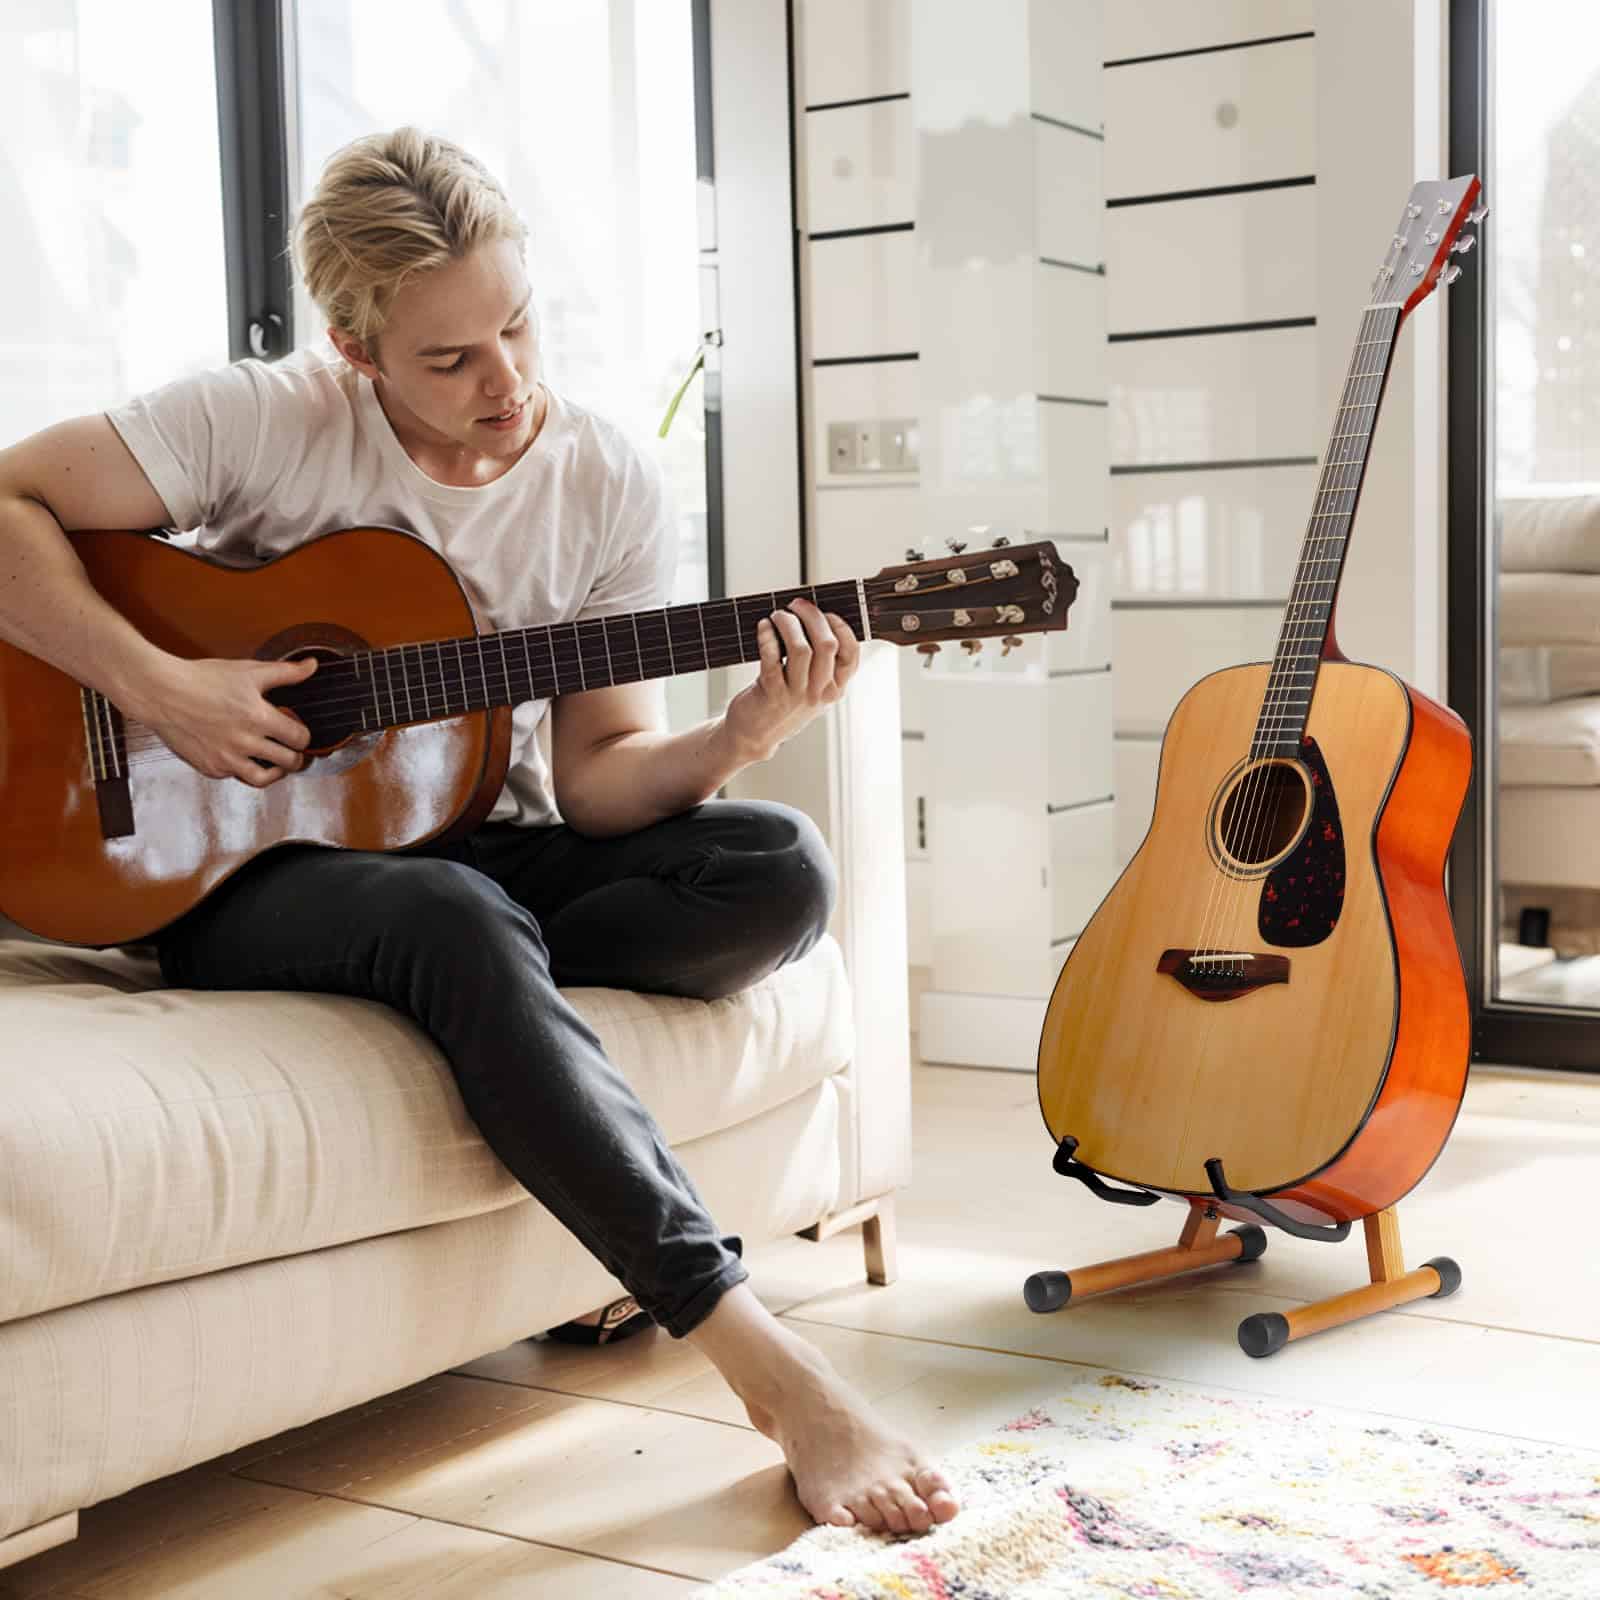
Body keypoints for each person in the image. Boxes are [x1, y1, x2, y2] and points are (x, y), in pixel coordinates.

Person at [0, 127, 959, 1536]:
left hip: (482, 850)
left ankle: (511, 1036)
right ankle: (767, 1369)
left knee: (774, 870)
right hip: (244, 870)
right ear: (354, 349)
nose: (503, 378)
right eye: (448, 360)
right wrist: (161, 688)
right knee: (454, 921)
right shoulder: (264, 420)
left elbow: (602, 782)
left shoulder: (604, 484)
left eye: (516, 325)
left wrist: (746, 730)